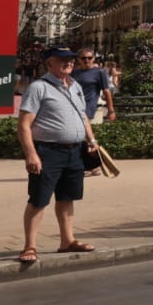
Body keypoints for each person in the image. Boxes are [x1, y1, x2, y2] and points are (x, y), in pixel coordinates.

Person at [16, 48, 99, 265]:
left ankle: (67, 240)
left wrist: (92, 141)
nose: (68, 63)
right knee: (39, 199)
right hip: (48, 151)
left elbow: (83, 116)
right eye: (61, 60)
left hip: (74, 151)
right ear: (48, 64)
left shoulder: (75, 86)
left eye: (70, 60)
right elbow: (24, 125)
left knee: (67, 197)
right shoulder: (38, 87)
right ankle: (30, 246)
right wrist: (31, 154)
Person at [71, 48, 116, 123]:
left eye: (89, 58)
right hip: (74, 106)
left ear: (93, 58)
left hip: (88, 108)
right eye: (83, 58)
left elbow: (106, 91)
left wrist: (111, 110)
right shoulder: (74, 72)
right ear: (79, 59)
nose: (87, 60)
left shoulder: (99, 72)